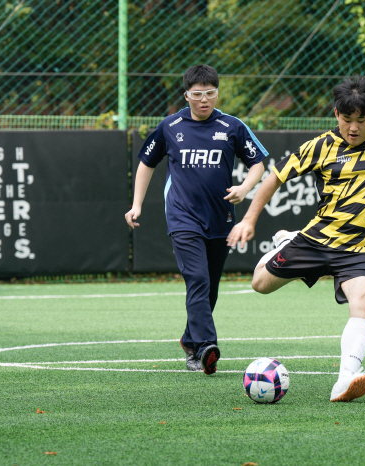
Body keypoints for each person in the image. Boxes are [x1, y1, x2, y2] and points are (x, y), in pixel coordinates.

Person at [227, 76, 365, 402]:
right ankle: (288, 243)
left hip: (362, 248)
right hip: (317, 240)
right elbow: (274, 178)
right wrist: (249, 219)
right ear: (336, 114)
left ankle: (345, 379)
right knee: (260, 284)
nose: (353, 127)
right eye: (346, 119)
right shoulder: (320, 146)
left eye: (361, 120)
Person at [124, 65, 267, 373]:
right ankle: (205, 346)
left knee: (210, 285)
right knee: (198, 279)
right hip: (182, 216)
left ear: (217, 93)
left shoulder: (232, 126)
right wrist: (136, 204)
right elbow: (146, 164)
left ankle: (190, 340)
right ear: (186, 95)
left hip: (221, 217)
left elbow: (258, 164)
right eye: (198, 94)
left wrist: (244, 188)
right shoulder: (169, 126)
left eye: (211, 94)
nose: (205, 100)